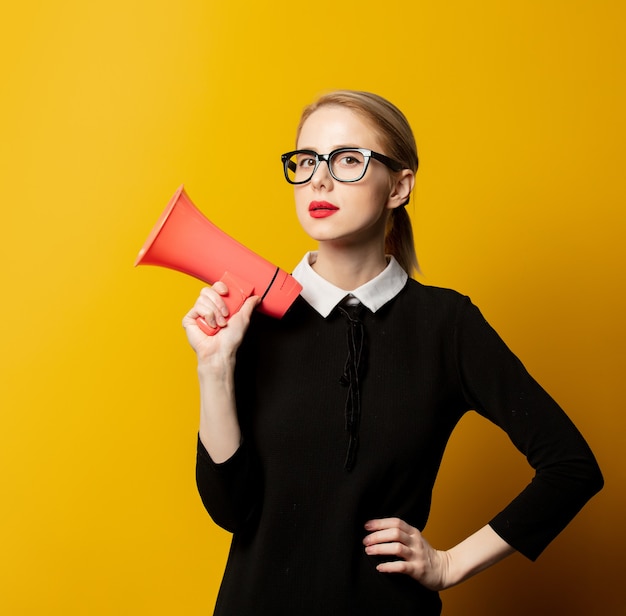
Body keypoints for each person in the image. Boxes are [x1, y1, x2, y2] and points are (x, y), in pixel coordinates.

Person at [182, 90, 603, 615]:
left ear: (399, 186)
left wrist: (450, 565)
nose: (320, 178)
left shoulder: (447, 325)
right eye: (307, 160)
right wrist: (214, 368)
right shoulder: (252, 317)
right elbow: (230, 510)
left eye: (349, 160)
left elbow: (572, 467)